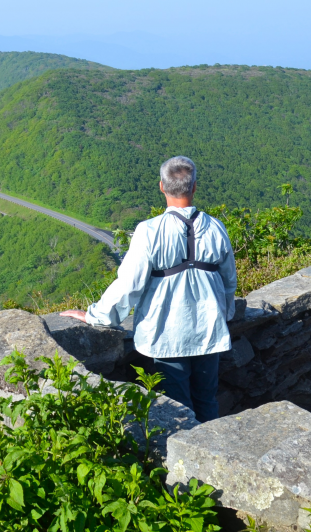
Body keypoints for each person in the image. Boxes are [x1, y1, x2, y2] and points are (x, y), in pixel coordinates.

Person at [60, 155, 237, 422]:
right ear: (194, 187)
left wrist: (96, 316)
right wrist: (227, 313)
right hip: (209, 330)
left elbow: (129, 284)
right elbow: (229, 280)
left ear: (162, 187)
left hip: (167, 334)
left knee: (179, 408)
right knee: (206, 401)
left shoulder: (149, 231)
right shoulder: (215, 227)